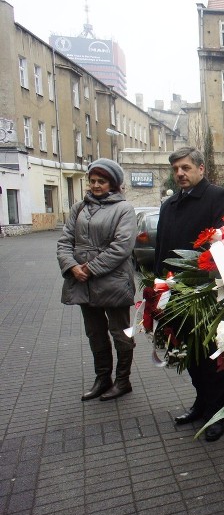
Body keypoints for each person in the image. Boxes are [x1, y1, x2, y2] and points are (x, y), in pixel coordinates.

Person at [154, 147, 224, 442]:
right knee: (190, 354)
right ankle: (201, 403)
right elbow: (162, 247)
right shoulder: (169, 204)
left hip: (206, 291)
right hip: (176, 292)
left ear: (201, 169)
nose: (180, 174)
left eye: (186, 168)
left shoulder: (218, 197)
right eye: (176, 169)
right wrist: (158, 286)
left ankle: (218, 412)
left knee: (212, 356)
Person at [57, 159, 137, 402]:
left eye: (101, 181)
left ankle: (123, 381)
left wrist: (89, 269)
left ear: (112, 183)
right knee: (95, 333)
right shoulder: (79, 208)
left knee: (121, 333)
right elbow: (64, 242)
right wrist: (71, 267)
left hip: (113, 281)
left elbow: (121, 247)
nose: (95, 185)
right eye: (92, 181)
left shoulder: (124, 209)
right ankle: (103, 379)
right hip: (82, 282)